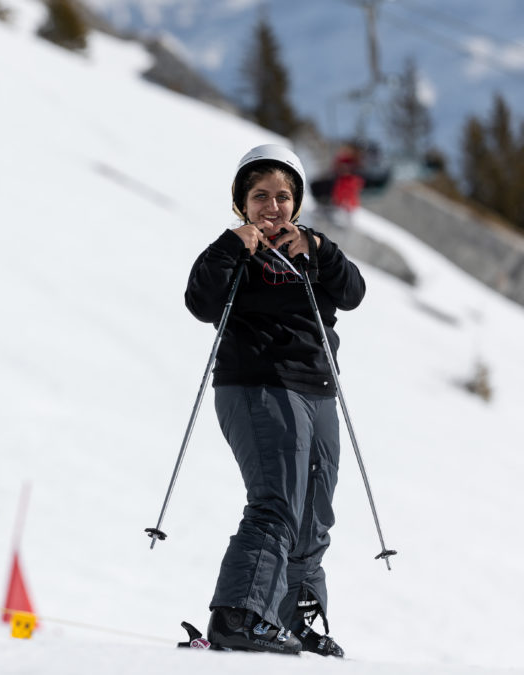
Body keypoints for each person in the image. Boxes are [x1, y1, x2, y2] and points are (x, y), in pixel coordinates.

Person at [184, 144, 366, 656]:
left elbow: (353, 293)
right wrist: (230, 246)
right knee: (278, 501)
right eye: (260, 196)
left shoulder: (311, 249)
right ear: (242, 203)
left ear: (296, 203)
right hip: (257, 383)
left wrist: (320, 248)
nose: (272, 206)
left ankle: (294, 620)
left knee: (314, 513)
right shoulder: (234, 249)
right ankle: (239, 615)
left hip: (317, 389)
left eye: (282, 197)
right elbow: (200, 302)